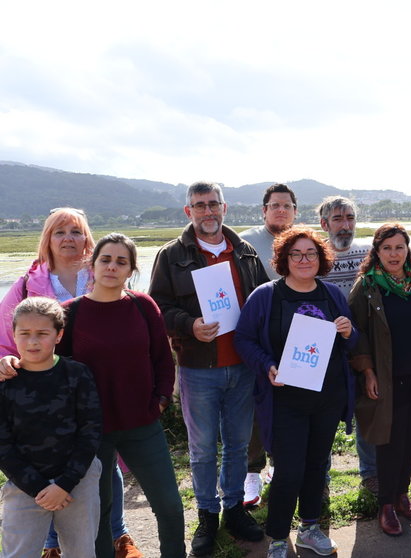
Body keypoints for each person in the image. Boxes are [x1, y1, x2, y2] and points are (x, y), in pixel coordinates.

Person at [0, 207, 140, 558]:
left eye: (75, 232)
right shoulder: (26, 285)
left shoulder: (101, 275)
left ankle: (117, 535)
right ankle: (52, 546)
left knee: (100, 460)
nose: (68, 238)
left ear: (87, 239)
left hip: (94, 385)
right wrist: (5, 363)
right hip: (41, 389)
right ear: (47, 239)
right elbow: (7, 337)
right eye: (59, 232)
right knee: (47, 458)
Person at [149, 181, 268, 555]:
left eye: (213, 204)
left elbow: (264, 301)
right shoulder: (171, 255)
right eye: (199, 206)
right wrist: (189, 325)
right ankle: (206, 514)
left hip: (243, 366)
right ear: (189, 212)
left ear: (224, 207)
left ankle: (233, 507)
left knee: (236, 445)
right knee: (202, 449)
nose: (207, 211)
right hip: (199, 369)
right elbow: (157, 309)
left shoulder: (245, 252)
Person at [49, 234, 185, 557]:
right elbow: (55, 368)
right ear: (92, 265)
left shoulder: (143, 306)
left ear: (130, 270)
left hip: (142, 425)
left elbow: (163, 360)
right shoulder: (70, 313)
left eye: (121, 261)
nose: (112, 266)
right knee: (100, 513)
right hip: (91, 434)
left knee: (169, 505)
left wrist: (162, 399)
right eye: (105, 259)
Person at [234, 226, 358, 558]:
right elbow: (243, 339)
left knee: (317, 464)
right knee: (289, 469)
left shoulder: (332, 294)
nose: (304, 260)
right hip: (284, 398)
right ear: (284, 259)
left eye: (311, 253)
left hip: (327, 397)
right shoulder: (266, 295)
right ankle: (277, 537)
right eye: (296, 254)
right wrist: (267, 366)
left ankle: (309, 528)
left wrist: (349, 331)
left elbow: (353, 343)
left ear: (321, 258)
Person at [348, 223, 411, 536]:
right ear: (376, 251)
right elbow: (356, 333)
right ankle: (386, 505)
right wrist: (367, 370)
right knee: (388, 443)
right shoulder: (367, 286)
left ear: (408, 249)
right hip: (388, 379)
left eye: (399, 247)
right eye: (387, 248)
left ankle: (402, 496)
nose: (394, 254)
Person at [0, 297, 102, 558]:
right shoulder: (4, 382)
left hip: (77, 481)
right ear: (13, 334)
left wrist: (65, 483)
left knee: (81, 553)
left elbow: (90, 431)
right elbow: (2, 443)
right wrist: (38, 489)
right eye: (25, 334)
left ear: (58, 335)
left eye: (42, 334)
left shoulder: (77, 374)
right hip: (24, 485)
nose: (33, 341)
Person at [240, 183, 299, 507]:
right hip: (258, 338)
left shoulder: (301, 241)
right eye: (275, 205)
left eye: (287, 206)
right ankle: (252, 471)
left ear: (295, 211)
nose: (281, 210)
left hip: (295, 339)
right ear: (264, 211)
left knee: (288, 404)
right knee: (255, 406)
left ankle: (279, 465)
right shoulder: (246, 242)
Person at [317, 196, 378, 494]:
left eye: (350, 217)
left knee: (367, 410)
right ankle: (321, 480)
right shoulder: (313, 256)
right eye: (338, 219)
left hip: (363, 347)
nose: (345, 225)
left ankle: (370, 475)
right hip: (326, 353)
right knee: (324, 418)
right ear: (324, 223)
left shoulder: (368, 254)